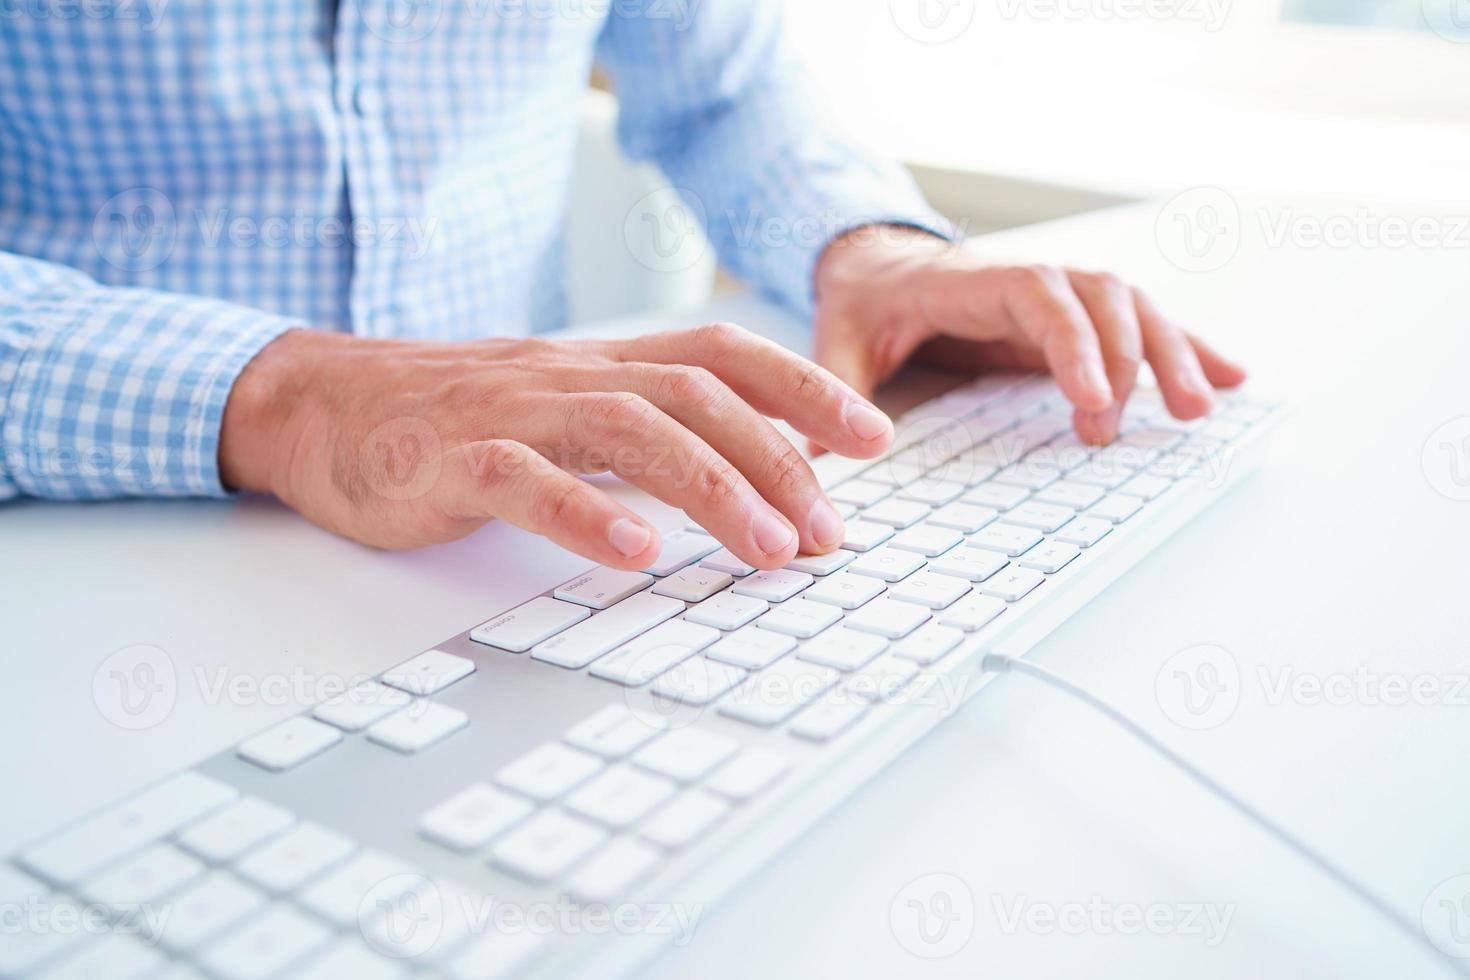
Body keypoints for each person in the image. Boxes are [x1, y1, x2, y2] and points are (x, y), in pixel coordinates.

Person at [0, 1, 1244, 573]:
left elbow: (721, 86)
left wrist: (868, 251)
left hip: (510, 538)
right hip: (93, 547)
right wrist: (286, 393)